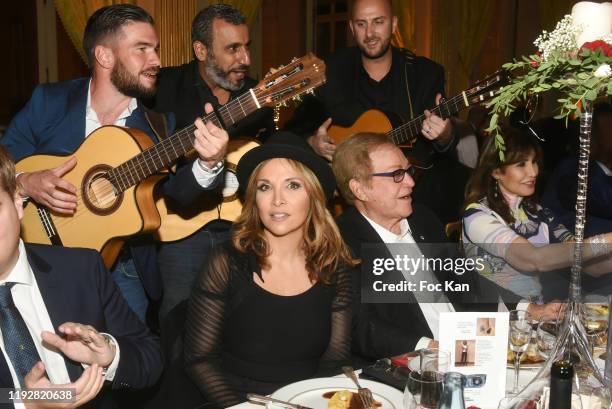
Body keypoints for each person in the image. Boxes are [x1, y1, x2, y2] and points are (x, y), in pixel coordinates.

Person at [1, 4, 228, 323]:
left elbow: (179, 194)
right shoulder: (49, 102)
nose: (157, 61)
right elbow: (4, 158)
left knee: (126, 366)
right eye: (142, 49)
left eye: (156, 49)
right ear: (104, 56)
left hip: (124, 270)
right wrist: (24, 182)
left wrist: (210, 163)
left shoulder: (158, 125)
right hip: (40, 255)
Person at [331, 132, 558, 361]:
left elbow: (466, 279)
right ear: (360, 189)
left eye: (408, 171)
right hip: (414, 365)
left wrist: (528, 310)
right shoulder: (341, 243)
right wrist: (430, 347)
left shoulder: (423, 219)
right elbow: (361, 327)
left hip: (472, 345)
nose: (411, 182)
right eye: (396, 175)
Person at [183, 132, 355, 408]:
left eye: (292, 186)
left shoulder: (335, 267)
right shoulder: (226, 262)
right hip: (237, 400)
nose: (277, 200)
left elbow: (334, 360)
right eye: (265, 187)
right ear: (254, 199)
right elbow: (199, 360)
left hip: (307, 399)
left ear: (314, 195)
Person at [0, 145, 162, 408]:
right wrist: (24, 403)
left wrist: (110, 356)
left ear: (19, 205)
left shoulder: (81, 268)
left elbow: (150, 359)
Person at [285, 0, 469, 224]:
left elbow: (448, 144)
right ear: (352, 29)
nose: (370, 33)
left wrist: (445, 134)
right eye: (361, 24)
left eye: (378, 22)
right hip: (347, 207)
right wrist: (313, 142)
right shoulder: (331, 70)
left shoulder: (425, 73)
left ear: (393, 24)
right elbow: (293, 131)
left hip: (415, 199)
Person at [147, 4, 275, 322]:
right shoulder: (161, 90)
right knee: (180, 324)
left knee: (246, 322)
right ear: (201, 50)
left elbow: (266, 160)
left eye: (246, 47)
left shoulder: (256, 96)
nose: (245, 59)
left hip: (241, 228)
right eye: (232, 49)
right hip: (179, 232)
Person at [463, 127, 612, 302]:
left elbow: (588, 266)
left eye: (534, 162)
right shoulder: (477, 216)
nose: (533, 172)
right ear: (496, 172)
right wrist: (607, 240)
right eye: (521, 164)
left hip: (538, 317)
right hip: (496, 319)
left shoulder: (538, 212)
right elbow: (534, 259)